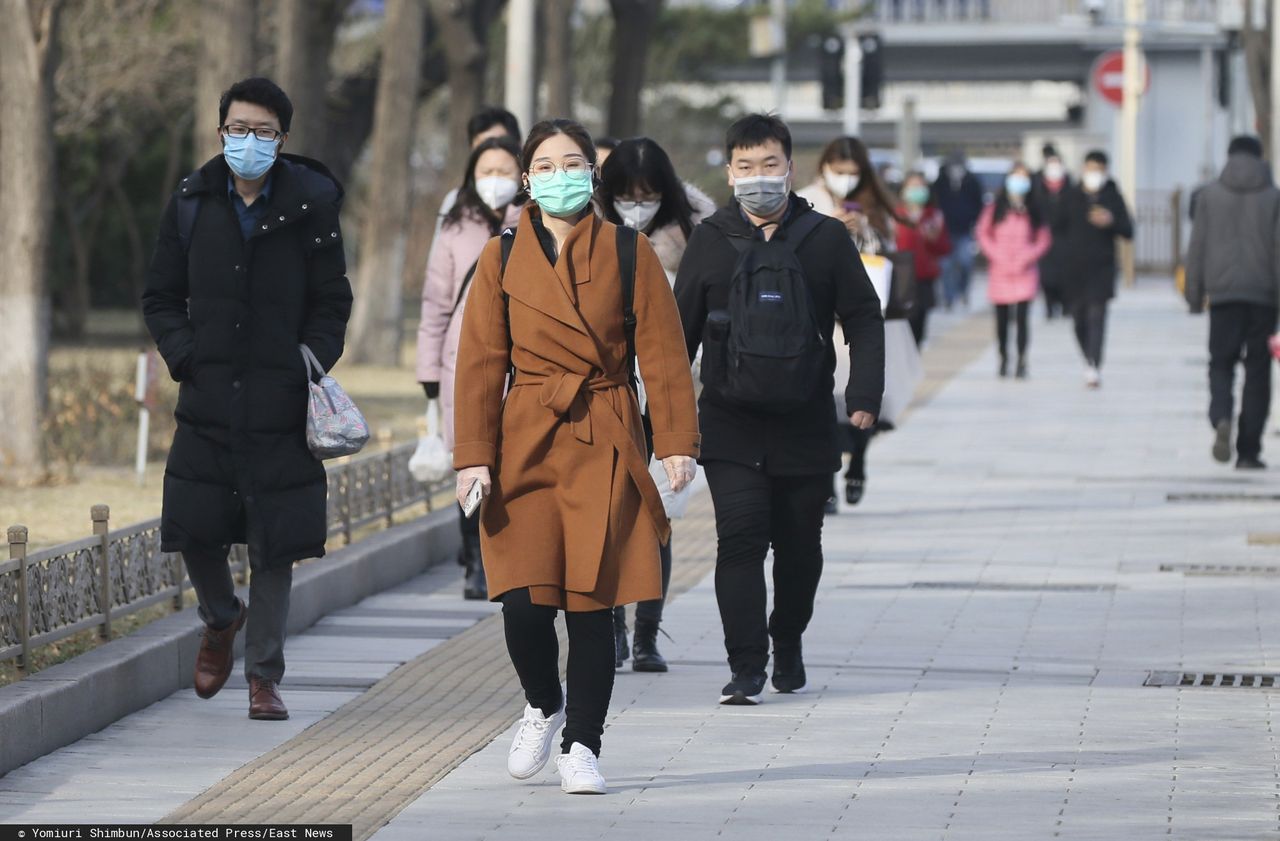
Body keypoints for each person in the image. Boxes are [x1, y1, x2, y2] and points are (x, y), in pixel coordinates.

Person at [453, 119, 700, 794]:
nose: (561, 174)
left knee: (594, 604)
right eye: (547, 164)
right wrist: (472, 455)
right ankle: (542, 700)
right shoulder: (501, 259)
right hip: (524, 436)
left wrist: (676, 441)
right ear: (528, 179)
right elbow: (478, 364)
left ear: (593, 173)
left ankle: (582, 743)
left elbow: (665, 353)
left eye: (574, 163)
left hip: (606, 431)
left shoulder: (629, 252)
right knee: (525, 603)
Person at [142, 77, 352, 721]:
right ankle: (220, 616)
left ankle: (263, 676)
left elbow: (332, 301)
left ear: (283, 139)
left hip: (280, 401)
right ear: (220, 131)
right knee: (193, 528)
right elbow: (159, 297)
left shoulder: (310, 204)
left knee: (275, 545)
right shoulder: (191, 201)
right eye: (239, 129)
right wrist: (185, 356)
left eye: (263, 131)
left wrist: (307, 362)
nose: (249, 141)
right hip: (207, 397)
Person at [674, 114, 884, 705]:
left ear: (791, 169)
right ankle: (746, 665)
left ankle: (786, 636)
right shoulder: (711, 239)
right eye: (746, 168)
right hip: (730, 420)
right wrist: (665, 419)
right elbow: (676, 333)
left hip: (806, 417)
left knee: (800, 547)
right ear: (729, 172)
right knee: (740, 538)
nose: (758, 178)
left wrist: (864, 394)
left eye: (770, 166)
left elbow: (864, 316)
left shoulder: (825, 239)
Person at [597, 137, 716, 672]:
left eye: (646, 195)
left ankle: (646, 633)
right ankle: (614, 628)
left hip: (670, 390)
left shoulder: (696, 233)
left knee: (658, 517)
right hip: (607, 391)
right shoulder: (588, 231)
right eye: (625, 194)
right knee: (609, 518)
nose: (636, 204)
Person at [417, 136, 526, 599]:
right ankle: (474, 565)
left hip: (521, 367)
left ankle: (510, 559)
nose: (495, 182)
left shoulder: (536, 223)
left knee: (514, 468)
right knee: (471, 464)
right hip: (462, 366)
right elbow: (436, 305)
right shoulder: (454, 229)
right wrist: (428, 371)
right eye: (487, 171)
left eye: (505, 172)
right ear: (471, 176)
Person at [797, 136, 898, 510]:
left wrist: (864, 231)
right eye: (839, 172)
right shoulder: (806, 200)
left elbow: (890, 248)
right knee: (827, 404)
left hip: (863, 312)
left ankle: (858, 460)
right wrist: (826, 231)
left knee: (865, 399)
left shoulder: (874, 204)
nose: (846, 179)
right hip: (821, 319)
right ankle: (827, 482)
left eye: (853, 173)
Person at [1184, 135, 1280, 470]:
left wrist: (1194, 296)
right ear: (1260, 156)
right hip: (1264, 297)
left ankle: (1222, 416)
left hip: (1223, 296)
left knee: (1221, 363)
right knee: (1257, 371)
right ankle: (1249, 451)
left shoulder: (1209, 195)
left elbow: (1197, 247)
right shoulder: (1274, 197)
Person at [1053, 150, 1133, 389]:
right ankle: (1088, 357)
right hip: (1074, 270)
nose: (1094, 174)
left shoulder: (1113, 196)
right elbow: (1056, 228)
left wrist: (1111, 221)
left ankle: (1094, 364)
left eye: (1098, 170)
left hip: (1102, 268)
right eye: (1090, 169)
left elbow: (1128, 230)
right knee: (1079, 319)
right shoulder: (1070, 196)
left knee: (1097, 316)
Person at [976, 163, 1051, 379]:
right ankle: (1003, 357)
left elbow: (1043, 239)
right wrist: (996, 254)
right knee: (1001, 320)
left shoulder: (1034, 209)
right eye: (1016, 176)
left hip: (1024, 271)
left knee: (1022, 320)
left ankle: (1021, 359)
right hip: (999, 270)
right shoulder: (995, 208)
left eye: (1023, 177)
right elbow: (983, 234)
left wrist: (1028, 255)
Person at [434, 106, 522, 233]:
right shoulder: (456, 202)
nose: (492, 150)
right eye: (483, 145)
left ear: (518, 145)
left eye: (501, 142)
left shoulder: (537, 205)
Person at [895, 171, 951, 346]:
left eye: (921, 186)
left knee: (920, 324)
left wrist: (932, 239)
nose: (917, 190)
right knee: (904, 324)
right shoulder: (895, 215)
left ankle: (914, 357)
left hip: (925, 277)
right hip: (900, 277)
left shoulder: (934, 216)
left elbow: (944, 248)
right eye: (912, 186)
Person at [932, 151, 985, 309]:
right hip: (944, 232)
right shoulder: (940, 183)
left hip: (965, 231)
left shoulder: (972, 182)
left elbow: (979, 205)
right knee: (946, 267)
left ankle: (963, 291)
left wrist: (974, 222)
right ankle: (949, 296)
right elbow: (935, 204)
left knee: (965, 263)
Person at [1033, 144, 1071, 320]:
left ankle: (1064, 303)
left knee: (1065, 275)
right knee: (1046, 276)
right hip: (1043, 238)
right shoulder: (1037, 184)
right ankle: (1049, 305)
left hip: (1065, 239)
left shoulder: (1069, 186)